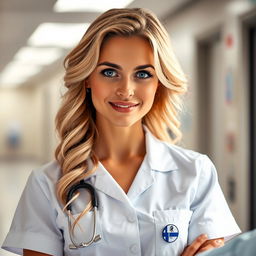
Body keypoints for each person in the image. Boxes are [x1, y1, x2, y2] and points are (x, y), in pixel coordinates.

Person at [2, 8, 240, 256]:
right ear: (87, 79)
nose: (126, 89)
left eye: (143, 74)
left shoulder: (195, 172)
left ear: (158, 83)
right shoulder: (47, 184)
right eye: (109, 72)